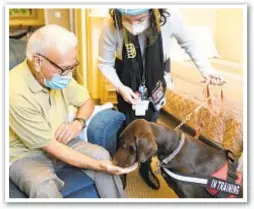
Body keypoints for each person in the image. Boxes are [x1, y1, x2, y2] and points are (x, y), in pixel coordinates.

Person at [98, 8, 225, 189]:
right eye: (128, 19)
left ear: (154, 11)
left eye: (140, 19)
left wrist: (207, 71)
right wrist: (121, 87)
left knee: (151, 124)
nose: (133, 25)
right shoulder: (111, 24)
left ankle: (145, 167)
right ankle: (123, 166)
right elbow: (105, 63)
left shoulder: (171, 18)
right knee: (126, 125)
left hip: (155, 79)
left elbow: (189, 44)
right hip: (126, 79)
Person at [9, 24, 136, 198]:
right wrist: (100, 166)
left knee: (101, 155)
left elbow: (87, 101)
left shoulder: (58, 75)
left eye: (73, 66)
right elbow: (51, 147)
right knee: (43, 187)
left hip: (62, 140)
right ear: (38, 61)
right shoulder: (13, 91)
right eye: (64, 68)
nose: (69, 75)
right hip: (27, 154)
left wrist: (78, 123)